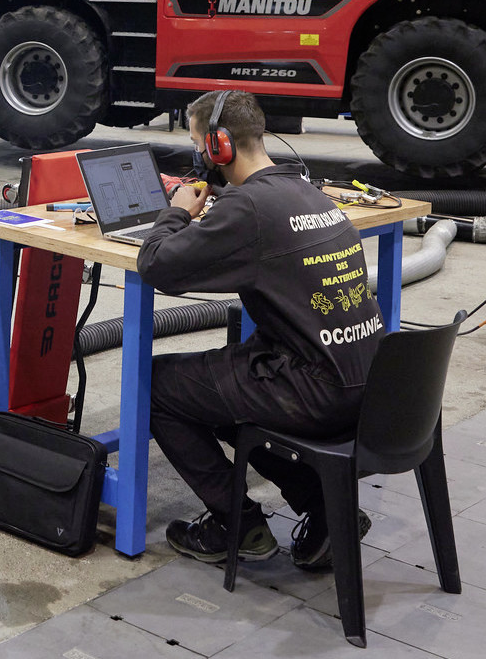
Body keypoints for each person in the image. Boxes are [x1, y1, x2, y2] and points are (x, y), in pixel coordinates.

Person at [136, 88, 379, 570]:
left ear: (217, 147)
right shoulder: (307, 190)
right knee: (226, 374)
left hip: (316, 392)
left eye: (196, 142)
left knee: (155, 384)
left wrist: (180, 211)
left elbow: (157, 265)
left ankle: (237, 524)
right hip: (372, 387)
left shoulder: (247, 209)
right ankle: (326, 507)